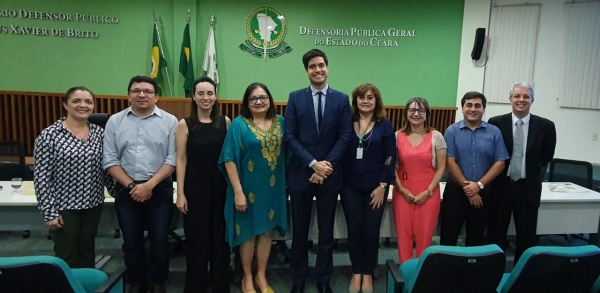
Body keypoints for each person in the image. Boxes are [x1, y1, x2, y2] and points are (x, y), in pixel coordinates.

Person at [284, 49, 352, 293]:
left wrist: (324, 167)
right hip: (301, 175)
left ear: (327, 67)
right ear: (306, 71)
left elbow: (344, 137)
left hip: (330, 177)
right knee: (299, 232)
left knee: (325, 232)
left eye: (321, 65)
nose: (317, 70)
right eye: (312, 66)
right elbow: (289, 137)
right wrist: (313, 164)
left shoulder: (342, 99)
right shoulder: (295, 98)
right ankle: (298, 280)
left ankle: (323, 279)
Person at [103, 76, 177, 293]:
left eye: (147, 91)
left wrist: (149, 185)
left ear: (156, 96)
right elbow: (109, 160)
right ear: (128, 95)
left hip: (160, 187)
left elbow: (172, 159)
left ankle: (157, 281)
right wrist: (133, 186)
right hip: (126, 190)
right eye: (136, 90)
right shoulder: (115, 121)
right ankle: (136, 281)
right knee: (131, 240)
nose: (141, 94)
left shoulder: (170, 121)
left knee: (160, 240)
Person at [33, 86, 114, 268]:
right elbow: (41, 177)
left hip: (93, 204)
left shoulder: (100, 134)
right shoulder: (50, 135)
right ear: (65, 105)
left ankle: (84, 286)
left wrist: (119, 192)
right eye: (76, 101)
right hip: (63, 207)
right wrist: (49, 212)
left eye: (88, 102)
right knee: (66, 254)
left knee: (87, 251)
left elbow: (106, 168)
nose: (83, 105)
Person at [219, 82, 288, 293]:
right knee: (247, 234)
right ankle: (247, 277)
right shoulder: (239, 124)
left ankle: (261, 275)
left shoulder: (282, 122)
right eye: (253, 98)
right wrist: (238, 192)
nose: (259, 102)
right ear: (246, 103)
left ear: (270, 100)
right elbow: (229, 158)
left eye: (263, 97)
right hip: (246, 190)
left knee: (267, 233)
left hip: (273, 190)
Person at [487, 82, 556, 264]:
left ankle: (521, 277)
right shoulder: (496, 123)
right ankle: (493, 274)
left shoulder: (546, 126)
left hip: (528, 188)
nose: (521, 100)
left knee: (526, 238)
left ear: (532, 100)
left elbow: (547, 155)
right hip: (501, 187)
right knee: (496, 234)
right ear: (510, 99)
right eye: (517, 96)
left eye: (526, 96)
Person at [175, 76, 231, 293]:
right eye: (201, 93)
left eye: (210, 93)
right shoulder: (185, 124)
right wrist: (180, 193)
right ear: (194, 97)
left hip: (220, 189)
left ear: (216, 96)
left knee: (220, 241)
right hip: (195, 190)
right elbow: (180, 159)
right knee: (197, 241)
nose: (205, 98)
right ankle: (195, 287)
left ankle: (220, 286)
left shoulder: (225, 122)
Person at [340, 83, 395, 293]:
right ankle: (356, 273)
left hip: (376, 187)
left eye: (370, 97)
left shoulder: (384, 124)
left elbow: (390, 156)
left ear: (376, 101)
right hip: (349, 186)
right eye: (361, 97)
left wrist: (383, 185)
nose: (365, 101)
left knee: (371, 232)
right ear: (355, 101)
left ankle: (368, 273)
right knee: (354, 230)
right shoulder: (347, 122)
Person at [440, 91, 509, 247]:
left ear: (483, 109)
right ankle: (446, 271)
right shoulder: (452, 131)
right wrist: (469, 190)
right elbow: (450, 161)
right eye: (469, 105)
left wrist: (478, 186)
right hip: (455, 193)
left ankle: (470, 271)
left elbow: (500, 163)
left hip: (483, 193)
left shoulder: (494, 132)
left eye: (477, 106)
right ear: (463, 108)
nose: (473, 109)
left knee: (476, 240)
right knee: (448, 237)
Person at [393, 97, 447, 263]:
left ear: (426, 114)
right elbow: (392, 167)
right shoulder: (397, 136)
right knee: (403, 235)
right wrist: (402, 189)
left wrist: (428, 191)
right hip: (403, 190)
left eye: (420, 110)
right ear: (406, 113)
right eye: (412, 110)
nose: (416, 114)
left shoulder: (436, 136)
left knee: (425, 235)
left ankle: (423, 274)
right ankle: (405, 272)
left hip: (429, 191)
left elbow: (441, 168)